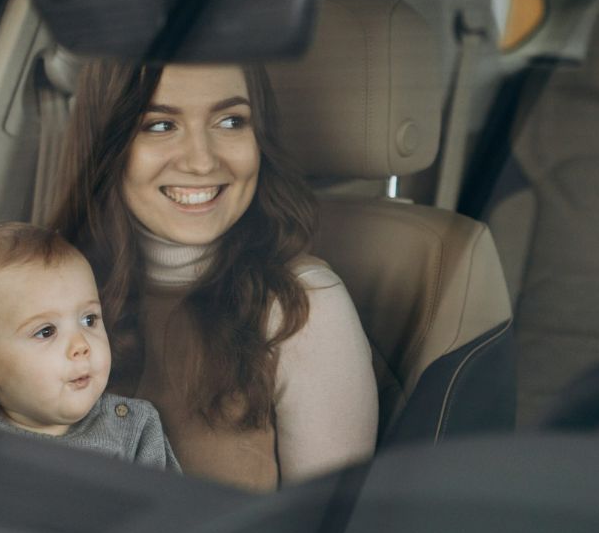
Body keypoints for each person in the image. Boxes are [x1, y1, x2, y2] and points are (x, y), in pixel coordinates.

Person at [49, 61, 377, 491]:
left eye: (230, 121)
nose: (202, 162)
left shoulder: (302, 305)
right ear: (107, 145)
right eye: (161, 125)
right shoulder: (39, 278)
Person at [0, 222, 180, 472]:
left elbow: (177, 521)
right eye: (46, 331)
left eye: (89, 319)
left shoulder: (133, 430)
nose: (81, 345)